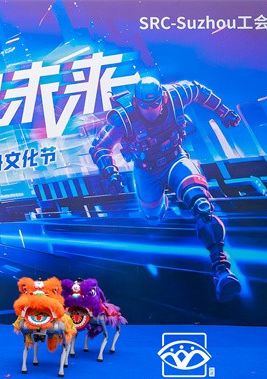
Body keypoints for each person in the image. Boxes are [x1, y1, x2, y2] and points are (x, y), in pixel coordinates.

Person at [89, 76, 241, 302]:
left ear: (163, 99)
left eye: (155, 104)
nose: (150, 110)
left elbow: (199, 90)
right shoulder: (124, 117)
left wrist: (223, 111)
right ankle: (162, 207)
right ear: (136, 102)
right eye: (145, 105)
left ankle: (221, 270)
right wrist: (110, 172)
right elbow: (100, 146)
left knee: (201, 203)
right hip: (147, 171)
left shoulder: (177, 94)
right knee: (153, 216)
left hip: (175, 158)